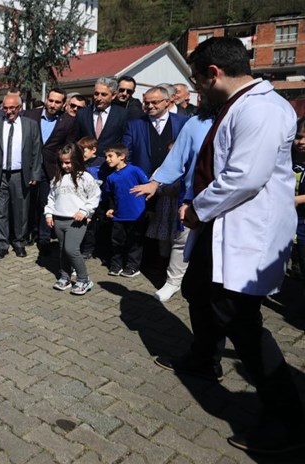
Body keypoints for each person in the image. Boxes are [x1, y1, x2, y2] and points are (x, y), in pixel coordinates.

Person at [153, 37, 305, 454]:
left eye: (197, 80)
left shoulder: (260, 110)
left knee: (241, 322)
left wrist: (195, 210)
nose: (197, 89)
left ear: (214, 73)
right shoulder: (238, 105)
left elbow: (244, 178)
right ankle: (205, 359)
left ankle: (286, 418)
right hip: (219, 226)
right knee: (197, 291)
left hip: (240, 230)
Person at [130, 104, 215, 302]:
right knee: (181, 241)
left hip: (220, 196)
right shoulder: (195, 123)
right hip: (188, 200)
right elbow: (174, 161)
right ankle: (173, 282)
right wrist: (155, 184)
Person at [0, 93, 43, 259]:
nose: (8, 111)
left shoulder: (30, 125)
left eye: (12, 108)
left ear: (19, 108)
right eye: (5, 108)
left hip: (20, 174)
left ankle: (19, 243)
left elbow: (37, 150)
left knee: (21, 211)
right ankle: (2, 245)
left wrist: (35, 172)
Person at [22, 88, 77, 252]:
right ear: (46, 99)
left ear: (63, 103)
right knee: (28, 202)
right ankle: (28, 233)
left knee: (46, 203)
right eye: (51, 100)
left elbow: (69, 146)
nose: (53, 105)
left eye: (57, 102)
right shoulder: (29, 115)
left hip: (51, 168)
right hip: (29, 166)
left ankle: (44, 238)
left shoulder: (68, 121)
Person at [44, 143, 100, 295]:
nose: (65, 165)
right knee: (63, 250)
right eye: (62, 162)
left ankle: (84, 279)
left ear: (76, 160)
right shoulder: (57, 178)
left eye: (68, 162)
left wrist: (85, 211)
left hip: (76, 221)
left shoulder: (85, 177)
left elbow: (95, 196)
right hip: (59, 218)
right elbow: (51, 198)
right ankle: (65, 276)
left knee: (72, 249)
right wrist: (49, 213)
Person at [122, 86, 190, 177]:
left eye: (155, 102)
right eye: (147, 103)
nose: (150, 106)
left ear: (167, 102)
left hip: (174, 181)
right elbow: (126, 153)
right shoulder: (134, 125)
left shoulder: (183, 122)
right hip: (142, 180)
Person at [103, 145, 148, 277]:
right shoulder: (111, 177)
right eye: (106, 157)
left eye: (110, 156)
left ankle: (133, 266)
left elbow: (148, 188)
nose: (107, 159)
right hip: (119, 216)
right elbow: (110, 195)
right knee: (117, 241)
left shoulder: (135, 171)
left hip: (136, 214)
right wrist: (111, 208)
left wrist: (150, 209)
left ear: (121, 156)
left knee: (135, 242)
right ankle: (116, 265)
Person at [75, 77, 129, 160]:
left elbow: (125, 142)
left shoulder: (122, 114)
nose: (99, 98)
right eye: (96, 94)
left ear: (113, 95)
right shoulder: (82, 113)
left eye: (104, 94)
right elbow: (76, 139)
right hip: (86, 163)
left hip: (110, 165)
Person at [293, 117, 305, 280]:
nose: (301, 142)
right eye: (298, 137)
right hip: (289, 224)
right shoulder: (287, 158)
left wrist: (297, 200)